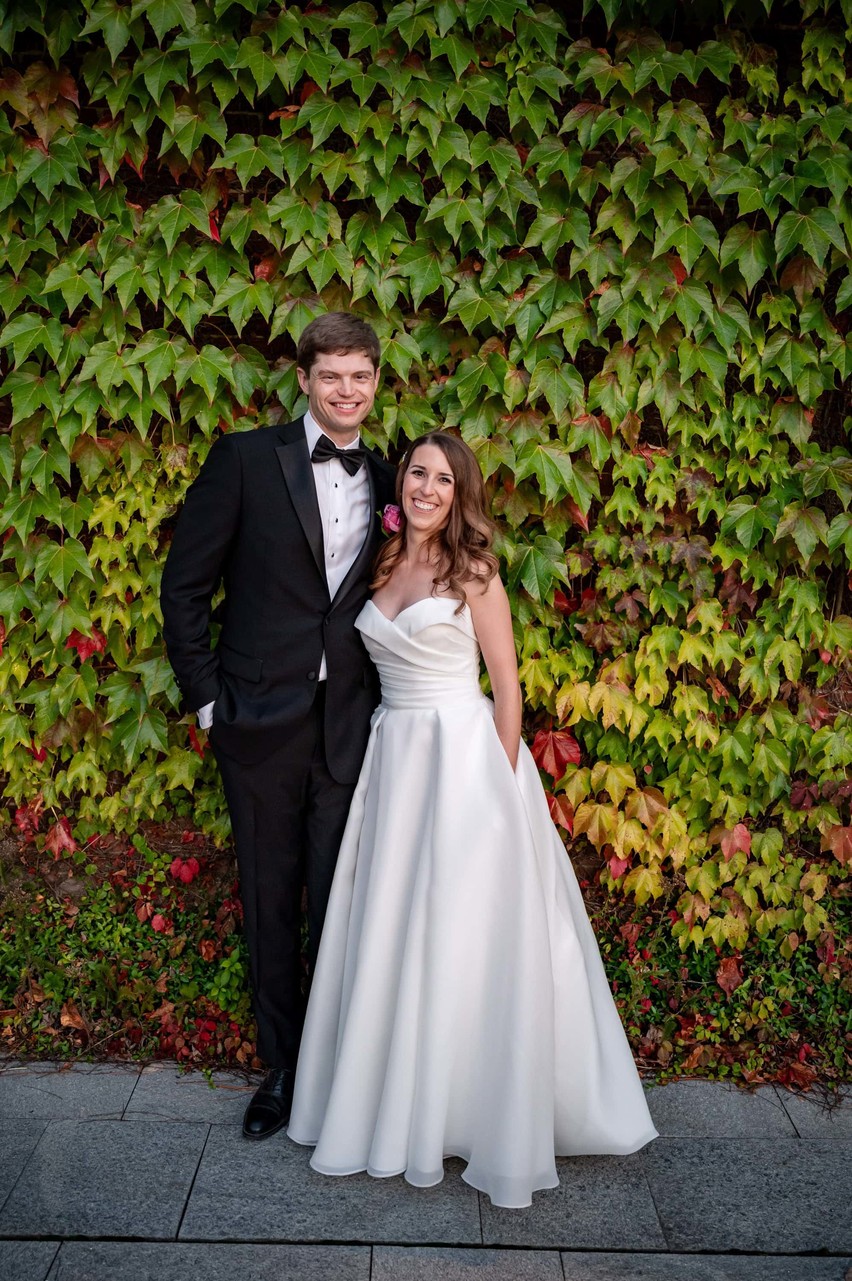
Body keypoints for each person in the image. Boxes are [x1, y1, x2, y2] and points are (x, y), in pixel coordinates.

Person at [287, 431, 658, 1208]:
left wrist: (498, 783)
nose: (427, 487)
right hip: (395, 762)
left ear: (462, 495)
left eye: (444, 480)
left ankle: (470, 1109)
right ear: (403, 483)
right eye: (418, 472)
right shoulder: (383, 562)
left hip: (462, 761)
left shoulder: (475, 573)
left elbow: (509, 687)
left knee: (461, 933)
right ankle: (398, 1098)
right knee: (394, 927)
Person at [160, 313, 396, 1140]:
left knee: (341, 899)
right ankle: (282, 1069)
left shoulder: (396, 474)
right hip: (255, 722)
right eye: (330, 375)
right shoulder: (244, 460)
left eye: (360, 376)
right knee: (268, 900)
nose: (346, 390)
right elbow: (183, 586)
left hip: (350, 727)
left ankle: (340, 1069)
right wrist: (209, 702)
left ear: (375, 382)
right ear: (303, 379)